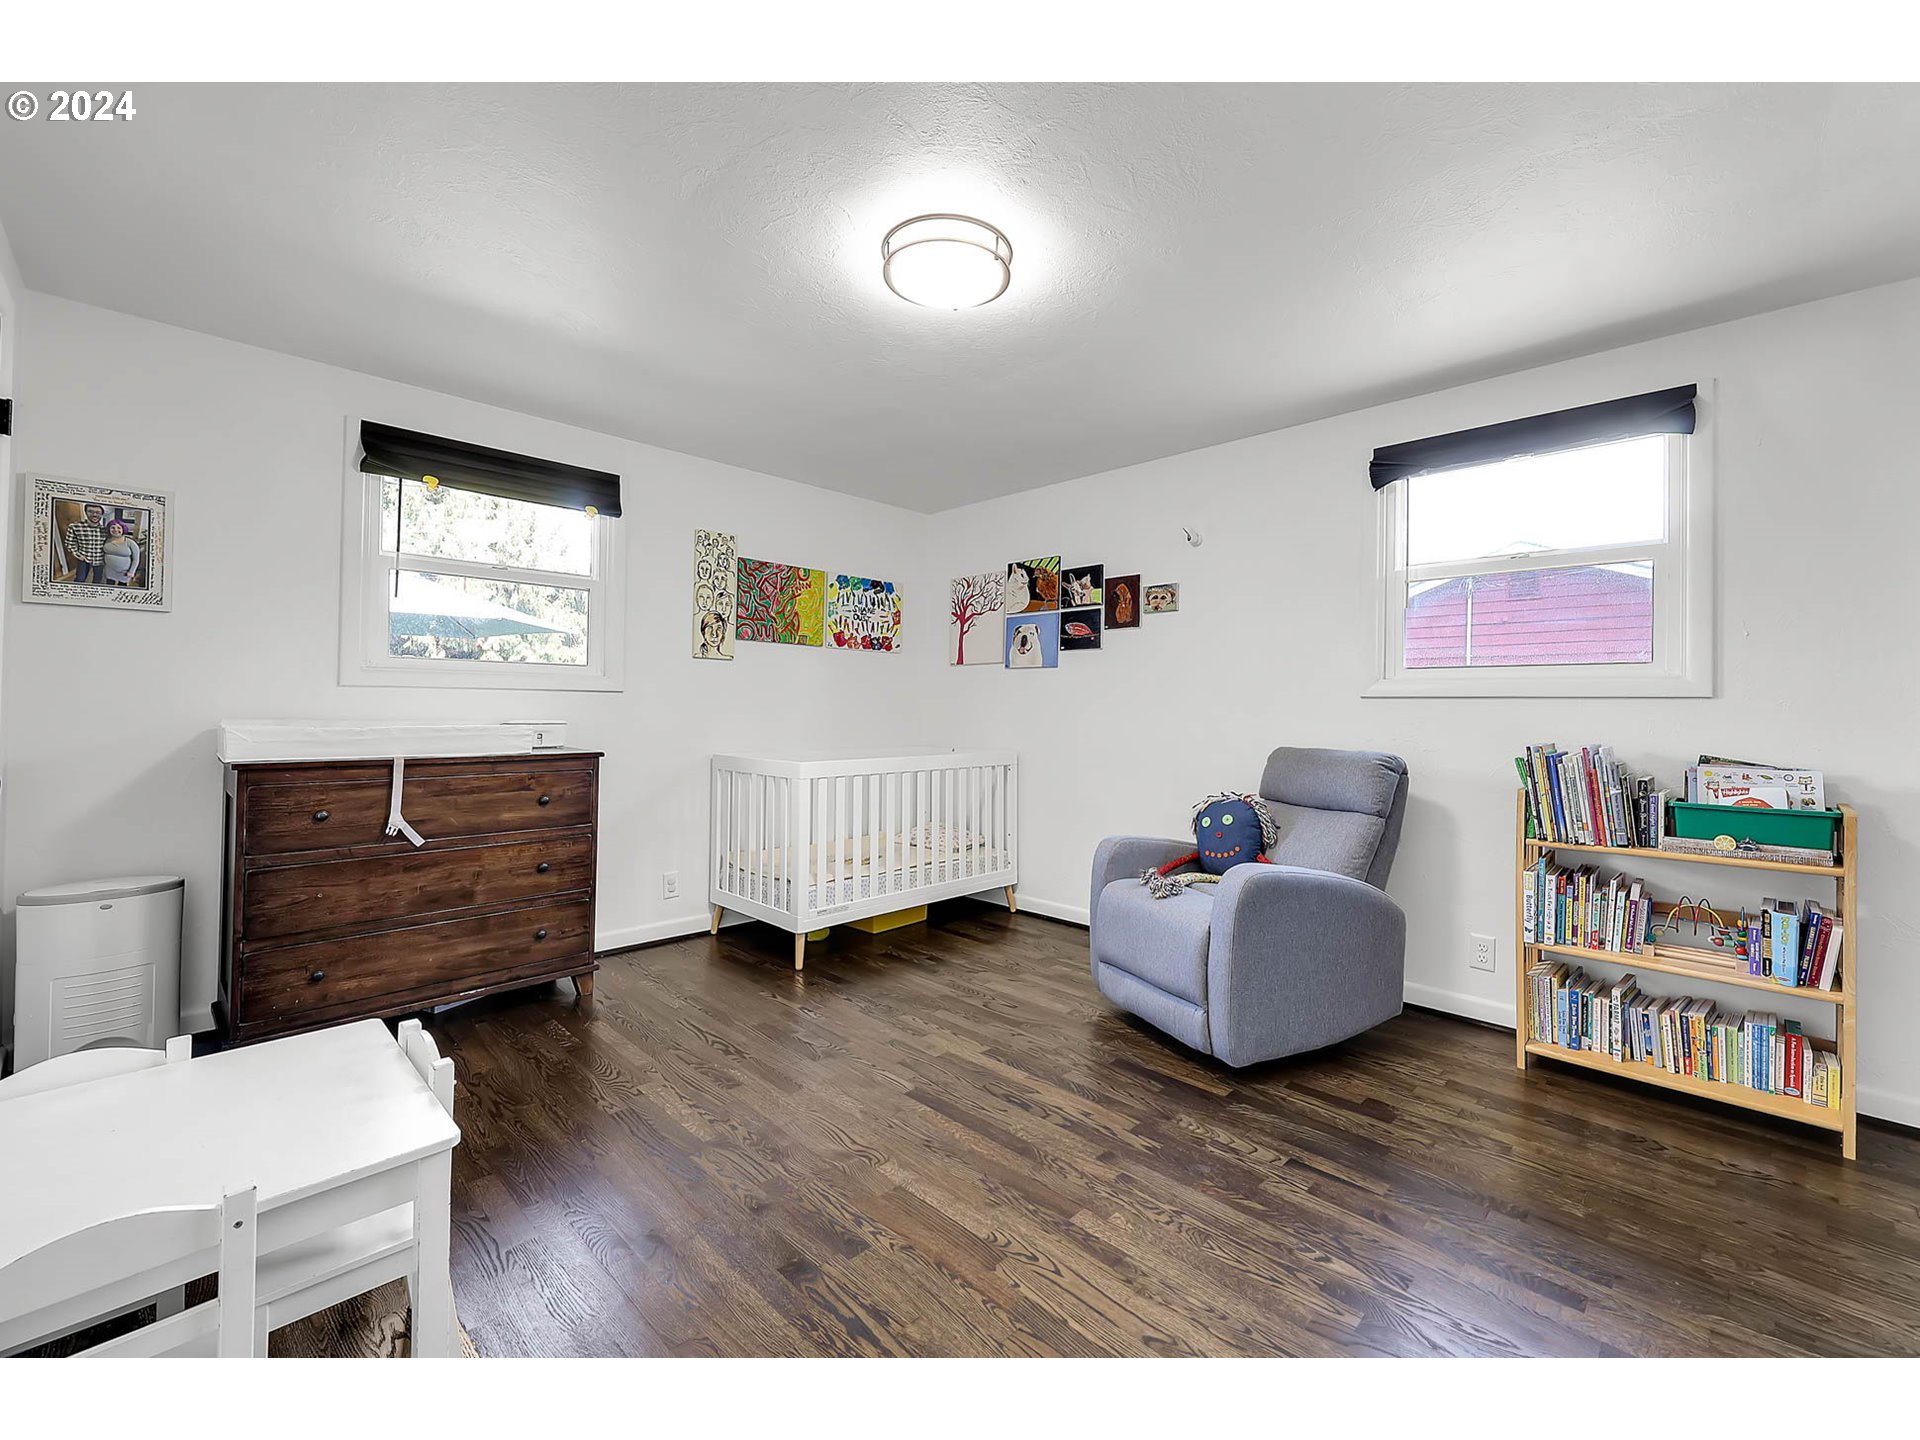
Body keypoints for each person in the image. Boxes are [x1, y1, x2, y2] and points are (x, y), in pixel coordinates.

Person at [63, 502, 109, 584]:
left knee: (97, 580)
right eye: (91, 511)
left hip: (100, 559)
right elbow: (69, 543)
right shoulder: (74, 527)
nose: (94, 515)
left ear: (102, 514)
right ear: (85, 512)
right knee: (80, 580)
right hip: (83, 558)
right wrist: (77, 554)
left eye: (98, 512)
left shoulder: (105, 530)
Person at [100, 518, 142, 586]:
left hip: (124, 573)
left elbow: (136, 559)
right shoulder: (106, 540)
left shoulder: (130, 542)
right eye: (112, 528)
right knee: (109, 586)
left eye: (118, 528)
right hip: (109, 571)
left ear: (123, 529)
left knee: (122, 587)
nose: (115, 530)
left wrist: (132, 571)